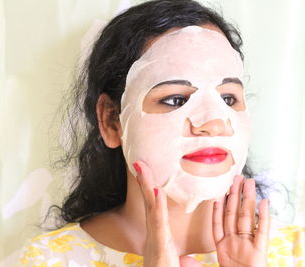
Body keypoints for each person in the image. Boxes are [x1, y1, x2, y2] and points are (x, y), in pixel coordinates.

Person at [17, 0, 304, 266]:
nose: (214, 122)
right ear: (111, 121)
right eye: (176, 99)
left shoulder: (297, 252)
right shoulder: (48, 260)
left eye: (228, 98)